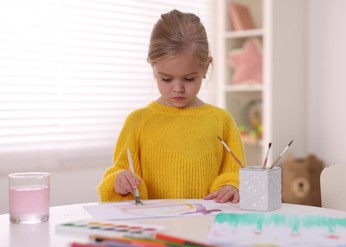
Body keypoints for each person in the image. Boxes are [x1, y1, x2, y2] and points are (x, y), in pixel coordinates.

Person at [98, 9, 246, 204]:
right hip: (154, 229)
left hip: (207, 227)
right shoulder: (137, 122)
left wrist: (232, 186)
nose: (178, 89)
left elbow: (236, 174)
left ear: (206, 67)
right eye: (166, 79)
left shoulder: (222, 121)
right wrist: (119, 181)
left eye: (189, 78)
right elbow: (120, 174)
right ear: (153, 68)